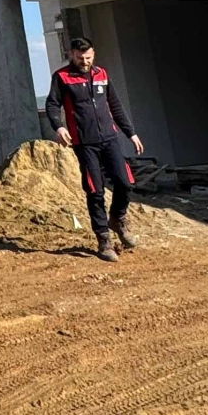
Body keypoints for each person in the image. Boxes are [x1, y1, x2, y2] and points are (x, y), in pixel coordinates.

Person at [45, 37, 144, 262]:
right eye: (80, 58)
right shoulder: (62, 77)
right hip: (84, 143)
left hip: (110, 139)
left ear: (94, 54)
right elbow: (52, 104)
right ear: (71, 54)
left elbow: (115, 106)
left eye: (88, 57)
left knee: (124, 183)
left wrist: (131, 133)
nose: (85, 62)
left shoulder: (102, 74)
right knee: (95, 190)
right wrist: (59, 127)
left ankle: (118, 218)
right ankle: (103, 240)